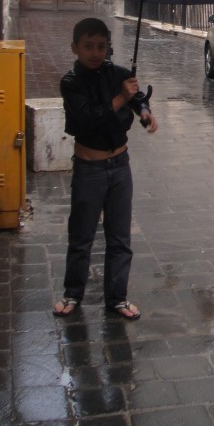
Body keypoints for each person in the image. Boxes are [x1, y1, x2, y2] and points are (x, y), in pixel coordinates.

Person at [53, 18, 157, 319]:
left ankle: (117, 297)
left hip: (120, 166)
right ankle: (73, 293)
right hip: (89, 169)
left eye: (101, 46)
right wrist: (120, 98)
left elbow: (137, 98)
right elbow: (88, 118)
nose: (95, 53)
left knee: (120, 236)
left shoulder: (118, 74)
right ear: (75, 48)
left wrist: (145, 112)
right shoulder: (71, 82)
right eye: (88, 46)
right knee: (82, 235)